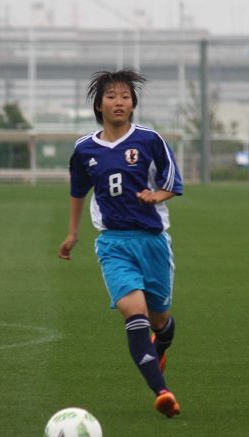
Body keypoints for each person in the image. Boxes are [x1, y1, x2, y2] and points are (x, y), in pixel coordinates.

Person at [58, 69, 183, 418]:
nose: (119, 102)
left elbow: (173, 181)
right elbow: (78, 189)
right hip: (113, 244)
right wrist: (73, 233)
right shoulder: (84, 148)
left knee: (161, 319)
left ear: (133, 105)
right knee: (135, 312)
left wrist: (155, 195)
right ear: (99, 105)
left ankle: (163, 344)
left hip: (154, 242)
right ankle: (162, 391)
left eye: (125, 97)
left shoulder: (149, 139)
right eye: (111, 96)